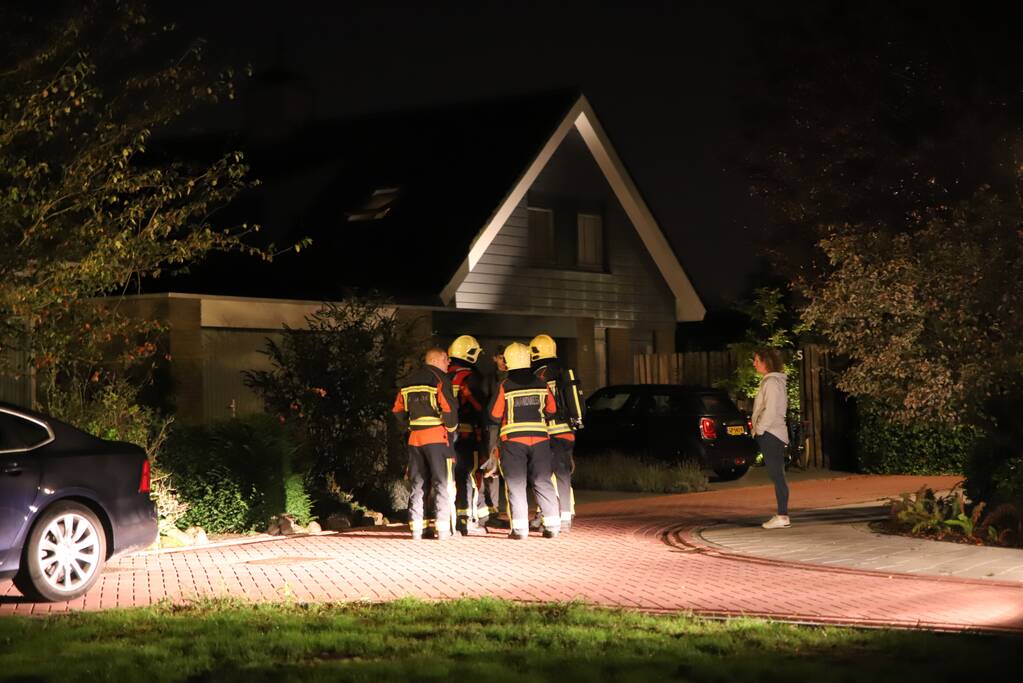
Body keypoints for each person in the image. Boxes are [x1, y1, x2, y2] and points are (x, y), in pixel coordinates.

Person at [481, 342, 561, 539]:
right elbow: (552, 410)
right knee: (542, 480)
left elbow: (493, 415)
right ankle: (552, 526)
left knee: (516, 483)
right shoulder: (542, 383)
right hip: (541, 439)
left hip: (513, 441)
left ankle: (520, 529)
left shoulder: (504, 385)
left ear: (508, 362)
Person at [392, 348, 458, 540]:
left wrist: (408, 425)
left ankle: (416, 528)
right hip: (437, 438)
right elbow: (449, 409)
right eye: (446, 359)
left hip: (415, 439)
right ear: (437, 360)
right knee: (442, 482)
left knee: (418, 483)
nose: (448, 363)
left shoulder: (407, 381)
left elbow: (397, 409)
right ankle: (443, 528)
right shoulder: (441, 379)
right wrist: (451, 428)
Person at [529, 333, 585, 532]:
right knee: (562, 474)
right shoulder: (563, 371)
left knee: (544, 475)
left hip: (548, 432)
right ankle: (563, 516)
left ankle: (551, 515)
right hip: (567, 432)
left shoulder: (538, 375)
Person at [447, 334, 489, 536]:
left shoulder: (443, 373)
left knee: (445, 477)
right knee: (468, 475)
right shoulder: (471, 376)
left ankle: (447, 518)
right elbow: (480, 408)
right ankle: (467, 520)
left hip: (443, 435)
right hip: (466, 434)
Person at [751, 348, 790, 529]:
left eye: (757, 360)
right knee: (777, 475)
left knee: (777, 475)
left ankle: (782, 516)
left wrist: (760, 429)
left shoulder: (772, 383)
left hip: (771, 434)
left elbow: (771, 410)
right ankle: (782, 515)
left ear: (766, 361)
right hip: (771, 433)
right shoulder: (772, 381)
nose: (754, 363)